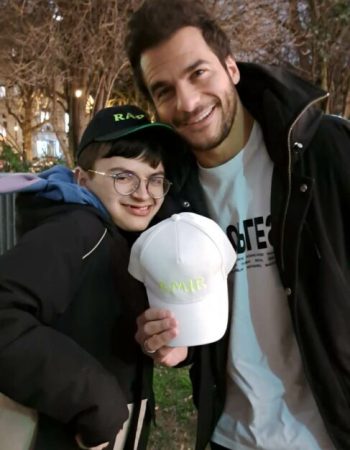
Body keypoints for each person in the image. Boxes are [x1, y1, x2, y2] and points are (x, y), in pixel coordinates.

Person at [124, 1, 350, 450]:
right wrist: (175, 346)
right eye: (164, 90)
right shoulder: (169, 199)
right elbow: (204, 333)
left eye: (198, 73)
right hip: (230, 437)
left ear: (231, 67)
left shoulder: (325, 151)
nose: (187, 102)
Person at [0, 104, 180, 450]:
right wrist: (94, 397)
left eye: (155, 179)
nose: (144, 193)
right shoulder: (76, 230)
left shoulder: (119, 236)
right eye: (123, 176)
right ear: (82, 179)